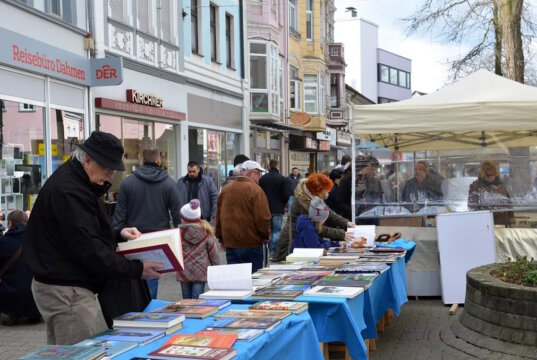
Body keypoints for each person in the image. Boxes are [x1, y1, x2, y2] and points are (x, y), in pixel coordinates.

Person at [24, 131, 162, 345]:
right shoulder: (70, 191)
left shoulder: (79, 182)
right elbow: (90, 249)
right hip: (67, 290)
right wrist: (136, 269)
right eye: (107, 169)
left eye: (113, 170)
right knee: (76, 352)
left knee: (62, 352)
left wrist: (118, 233)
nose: (110, 176)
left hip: (64, 285)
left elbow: (84, 231)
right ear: (87, 160)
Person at [112, 147, 181, 299]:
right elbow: (178, 218)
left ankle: (133, 315)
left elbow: (119, 218)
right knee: (151, 280)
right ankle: (148, 315)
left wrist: (117, 237)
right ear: (159, 161)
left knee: (133, 281)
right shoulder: (169, 184)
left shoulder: (127, 183)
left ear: (142, 160)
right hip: (158, 242)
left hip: (132, 240)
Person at [273, 173, 355, 262]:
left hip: (301, 242)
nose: (327, 193)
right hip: (294, 243)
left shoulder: (313, 198)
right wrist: (341, 234)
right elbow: (318, 228)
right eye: (325, 191)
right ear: (317, 191)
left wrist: (346, 223)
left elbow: (328, 212)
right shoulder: (305, 205)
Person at [215, 160, 271, 273]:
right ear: (250, 173)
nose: (259, 177)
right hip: (251, 243)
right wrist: (265, 236)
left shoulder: (226, 189)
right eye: (257, 173)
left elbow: (219, 215)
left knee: (236, 279)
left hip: (231, 243)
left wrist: (221, 237)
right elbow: (262, 218)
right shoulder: (256, 190)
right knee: (253, 279)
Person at [0, 210, 40, 326]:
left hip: (11, 293)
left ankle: (13, 315)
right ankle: (34, 315)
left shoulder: (3, 242)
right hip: (36, 294)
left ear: (11, 223)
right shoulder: (37, 239)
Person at [176, 199, 220, 299]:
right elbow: (214, 255)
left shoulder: (178, 234)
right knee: (198, 300)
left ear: (183, 218)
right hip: (200, 272)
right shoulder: (206, 232)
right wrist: (216, 270)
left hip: (184, 272)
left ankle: (186, 314)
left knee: (186, 301)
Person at [258, 159, 291, 259]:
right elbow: (287, 195)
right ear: (278, 166)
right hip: (277, 209)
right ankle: (273, 251)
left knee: (268, 230)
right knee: (276, 231)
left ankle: (268, 250)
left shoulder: (262, 179)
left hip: (265, 208)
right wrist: (282, 203)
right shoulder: (282, 179)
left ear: (269, 166)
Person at [468, 161, 514, 227]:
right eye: (487, 175)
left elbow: (509, 203)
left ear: (495, 173)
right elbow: (473, 206)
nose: (490, 177)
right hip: (485, 222)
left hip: (502, 221)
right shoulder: (476, 186)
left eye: (493, 174)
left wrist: (511, 220)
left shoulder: (501, 185)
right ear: (482, 174)